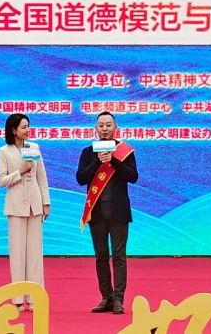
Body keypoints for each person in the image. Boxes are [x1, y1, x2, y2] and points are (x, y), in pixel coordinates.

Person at [76, 111, 138, 314]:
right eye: (101, 125)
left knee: (119, 257)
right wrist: (97, 162)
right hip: (97, 213)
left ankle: (119, 299)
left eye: (108, 125)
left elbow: (133, 176)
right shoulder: (88, 152)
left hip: (119, 212)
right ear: (95, 128)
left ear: (115, 128)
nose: (104, 129)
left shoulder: (125, 152)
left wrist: (113, 161)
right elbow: (81, 178)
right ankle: (106, 298)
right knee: (101, 257)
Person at [0, 113, 51, 311]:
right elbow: (1, 181)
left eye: (28, 126)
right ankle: (18, 298)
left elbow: (41, 177)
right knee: (18, 253)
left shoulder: (33, 148)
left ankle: (35, 297)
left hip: (35, 205)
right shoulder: (4, 151)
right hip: (16, 206)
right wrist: (19, 171)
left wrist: (46, 202)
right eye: (23, 127)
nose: (27, 130)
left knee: (35, 253)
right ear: (13, 130)